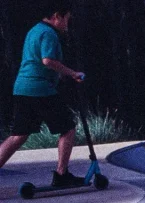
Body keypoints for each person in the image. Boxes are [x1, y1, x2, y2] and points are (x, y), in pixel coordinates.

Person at [0, 0, 85, 188]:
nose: (67, 25)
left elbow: (37, 60)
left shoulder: (35, 30)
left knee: (18, 135)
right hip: (40, 90)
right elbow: (47, 61)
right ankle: (62, 175)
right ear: (56, 16)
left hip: (22, 88)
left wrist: (60, 76)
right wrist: (71, 73)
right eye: (66, 20)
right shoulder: (49, 33)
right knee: (68, 128)